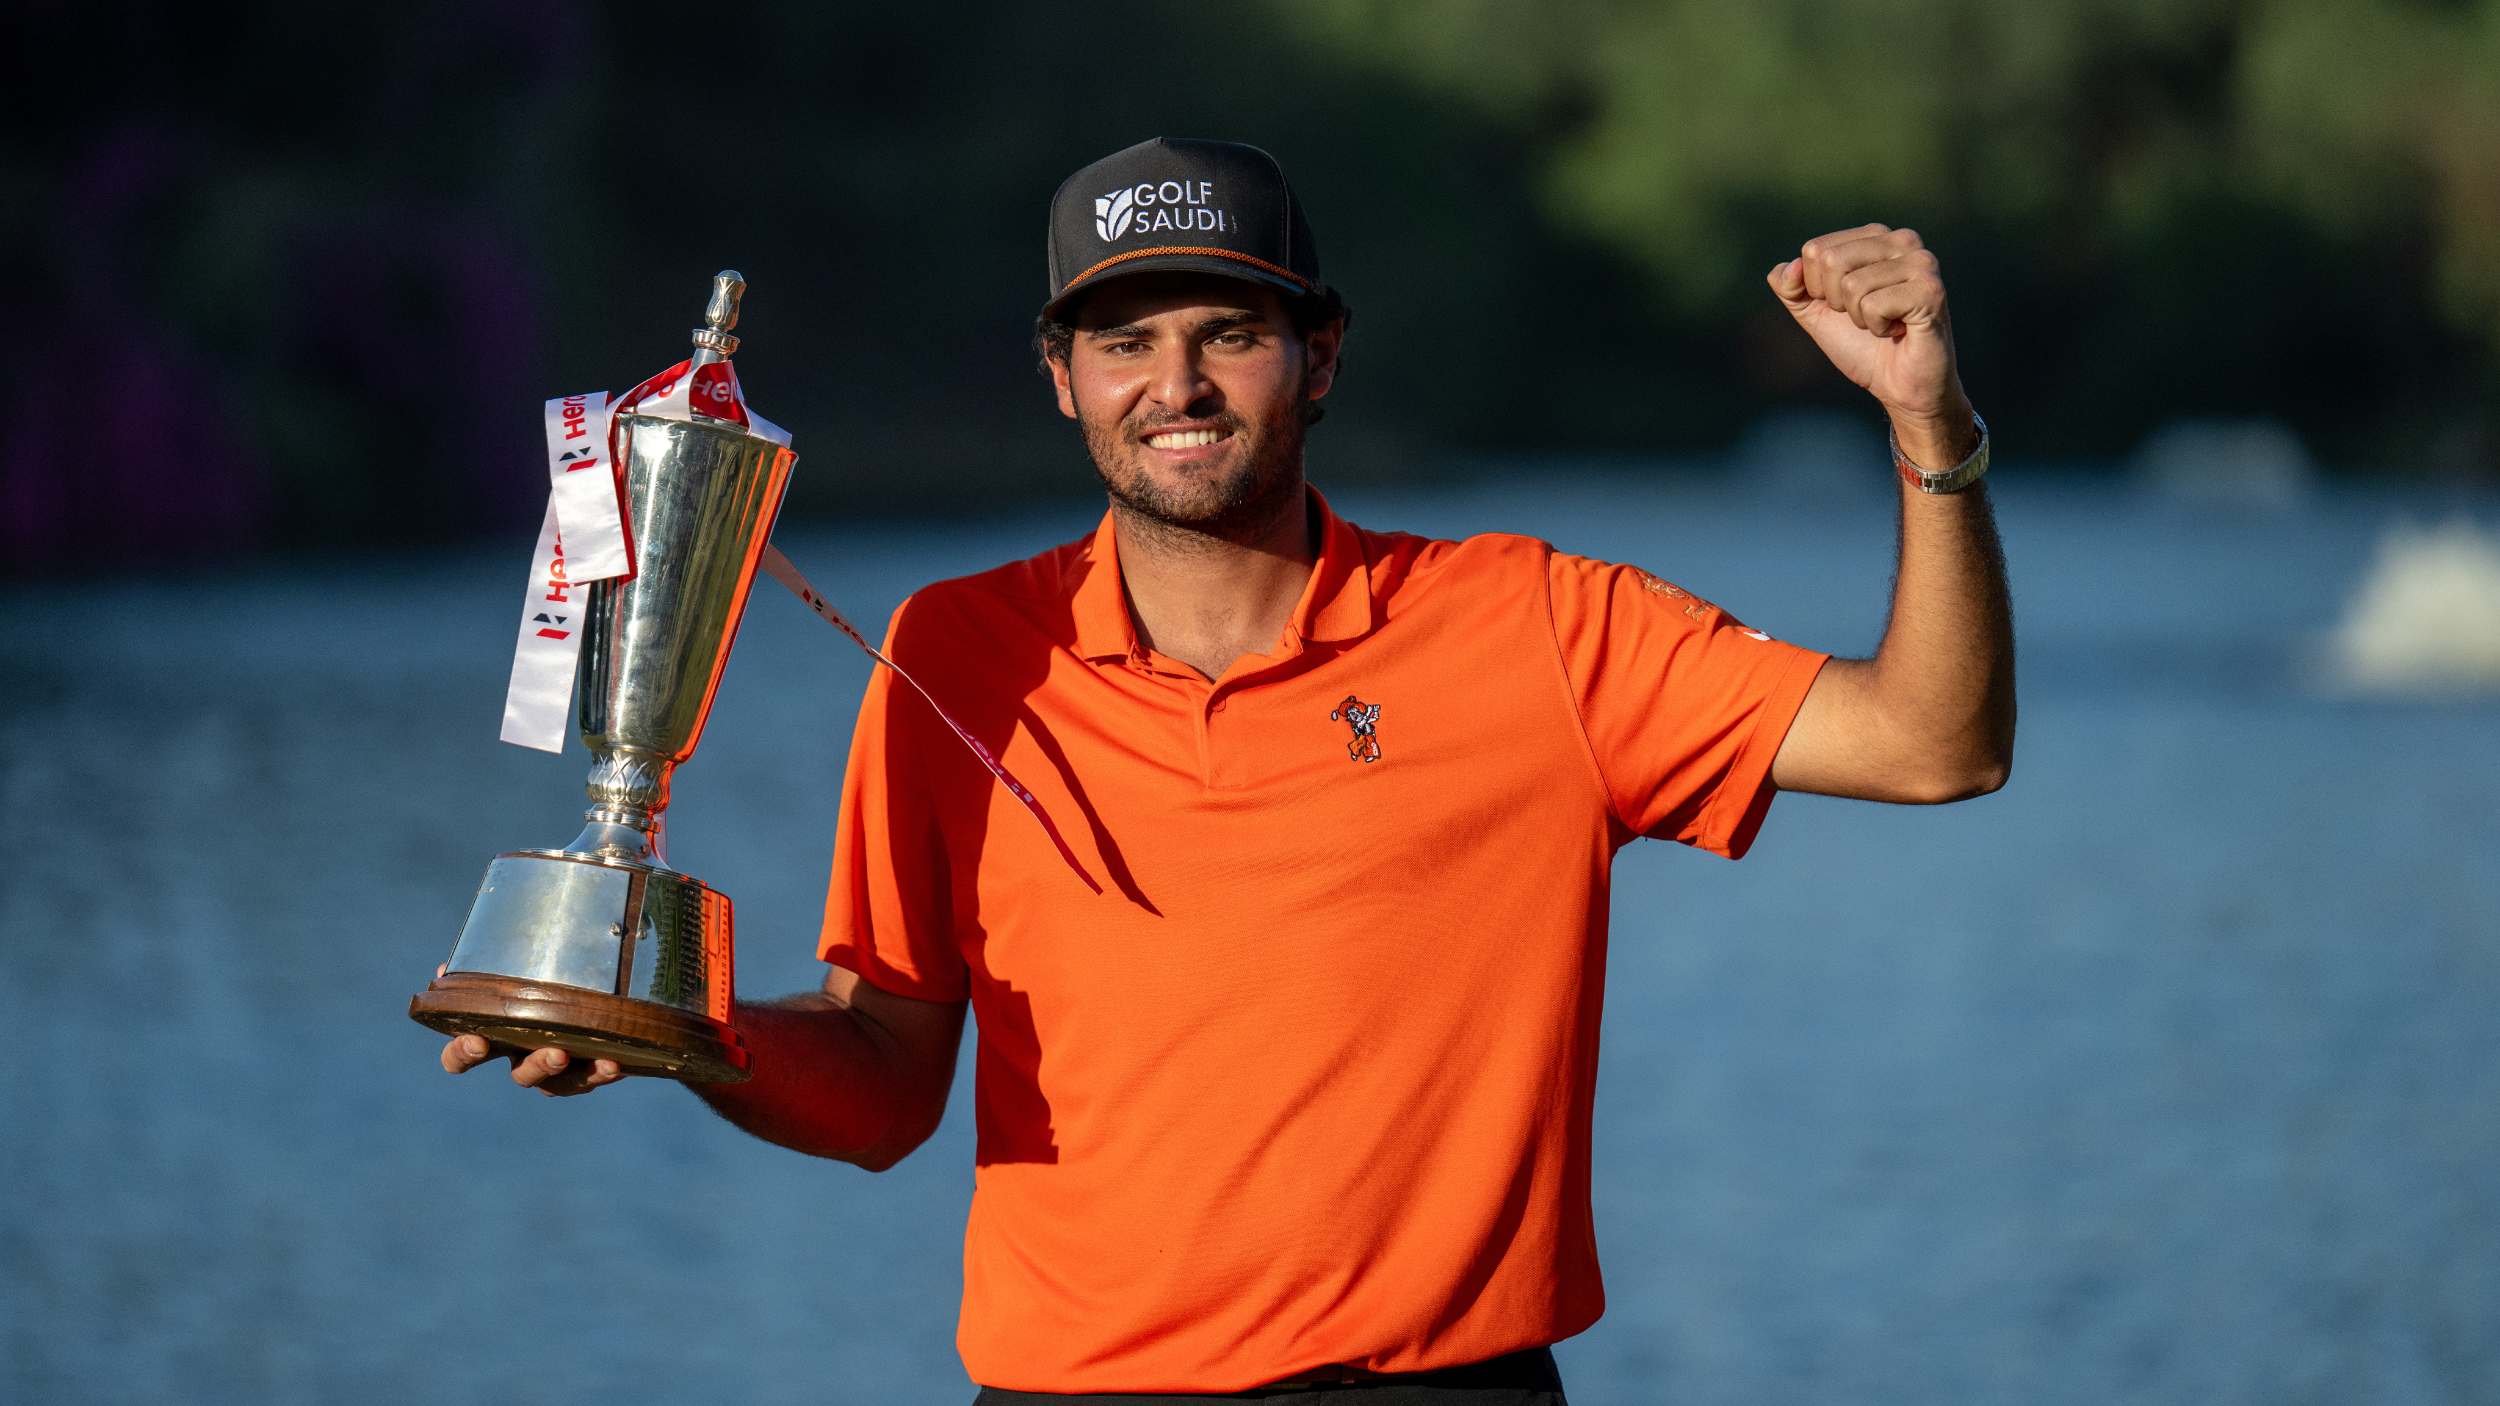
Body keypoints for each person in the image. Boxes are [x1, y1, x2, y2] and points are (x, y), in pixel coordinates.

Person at [440, 137, 2014, 1403]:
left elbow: (1937, 742)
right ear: (1060, 374)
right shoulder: (958, 651)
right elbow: (883, 1085)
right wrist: (677, 1027)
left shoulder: (1533, 619)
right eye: (1124, 340)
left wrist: (1928, 427)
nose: (1174, 385)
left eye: (1230, 335)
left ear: (1319, 357)